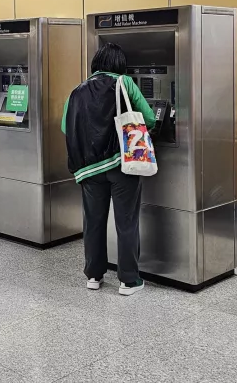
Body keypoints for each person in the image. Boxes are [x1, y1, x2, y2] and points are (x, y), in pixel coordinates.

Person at [61, 43, 156, 296]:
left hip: (89, 169)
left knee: (93, 222)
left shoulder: (76, 90)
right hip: (122, 163)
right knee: (126, 222)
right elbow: (149, 118)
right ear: (119, 64)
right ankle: (128, 280)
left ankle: (93, 275)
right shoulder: (124, 83)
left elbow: (65, 126)